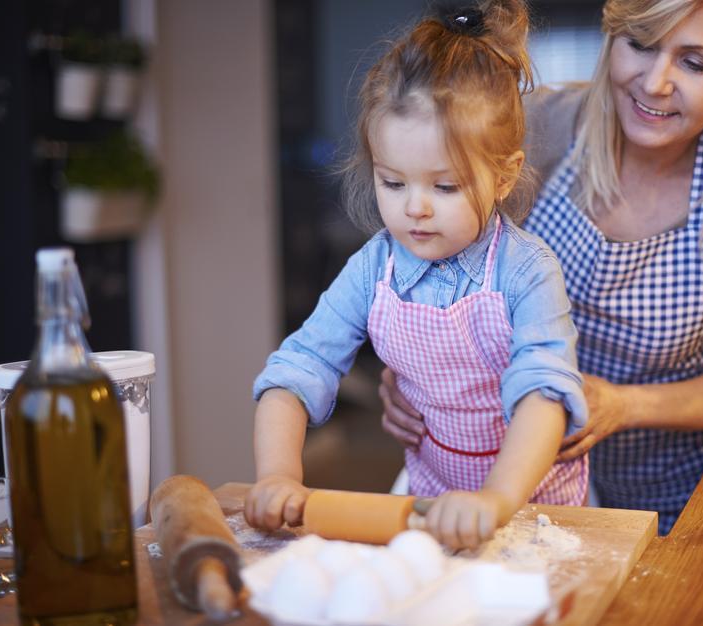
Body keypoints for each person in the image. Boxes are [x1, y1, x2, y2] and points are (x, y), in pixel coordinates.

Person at [380, 0, 703, 535]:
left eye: (696, 64)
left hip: (663, 498)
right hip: (501, 483)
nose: (655, 84)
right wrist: (410, 367)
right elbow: (432, 259)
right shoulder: (539, 128)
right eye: (641, 44)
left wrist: (623, 405)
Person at [244, 0, 590, 550]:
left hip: (534, 510)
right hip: (427, 499)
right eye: (393, 183)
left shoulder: (526, 272)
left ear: (504, 176)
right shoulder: (372, 269)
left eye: (444, 187)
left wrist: (495, 499)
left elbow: (542, 395)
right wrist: (279, 475)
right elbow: (297, 370)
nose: (415, 209)